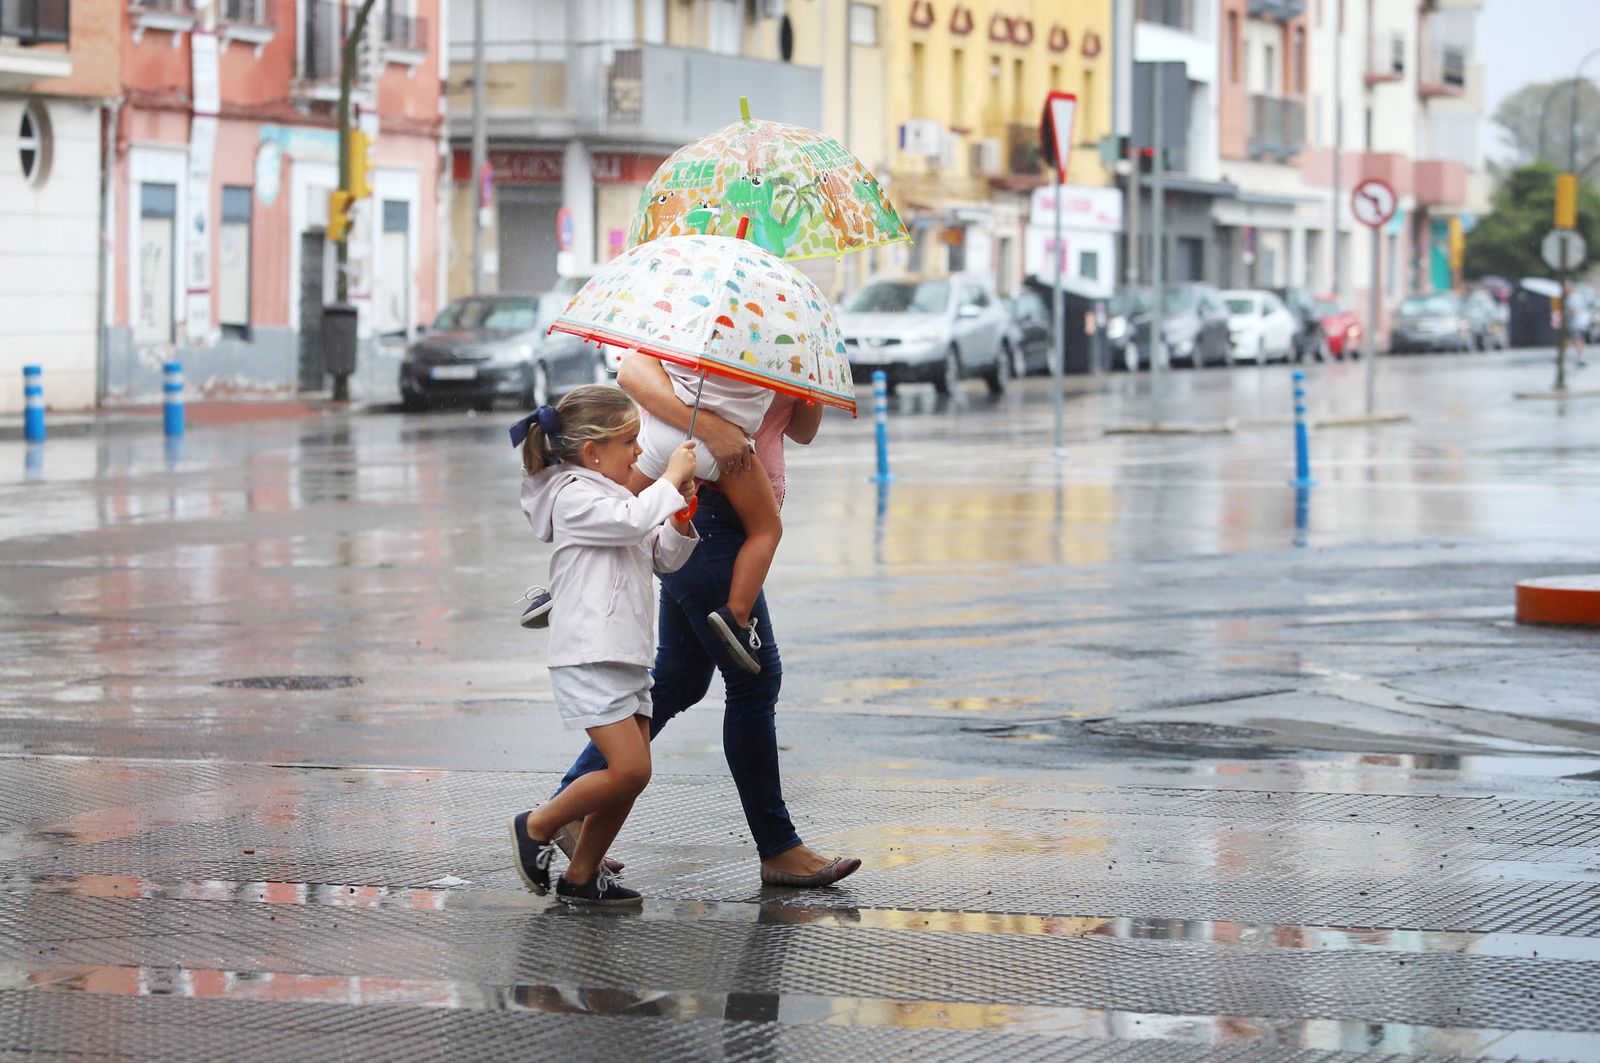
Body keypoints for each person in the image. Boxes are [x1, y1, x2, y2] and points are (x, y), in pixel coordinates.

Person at [550, 353, 861, 889]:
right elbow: (633, 374)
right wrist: (710, 427)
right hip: (709, 508)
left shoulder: (780, 335)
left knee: (680, 679)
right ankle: (779, 848)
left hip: (724, 521)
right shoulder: (707, 313)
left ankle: (571, 806)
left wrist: (810, 373)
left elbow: (803, 430)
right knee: (755, 679)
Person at [507, 384, 700, 907]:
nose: (639, 451)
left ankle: (582, 876)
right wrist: (668, 480)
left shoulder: (613, 496)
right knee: (629, 769)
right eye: (629, 441)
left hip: (625, 651)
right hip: (589, 653)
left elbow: (658, 554)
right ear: (593, 452)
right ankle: (539, 823)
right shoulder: (573, 497)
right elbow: (631, 524)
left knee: (632, 777)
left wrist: (679, 520)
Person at [634, 362, 780, 676]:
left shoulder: (687, 327)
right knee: (766, 528)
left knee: (615, 502)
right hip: (722, 447)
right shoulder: (773, 345)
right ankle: (737, 614)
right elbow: (804, 431)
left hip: (664, 426)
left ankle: (563, 581)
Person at [1565, 284, 1590, 368]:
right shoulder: (1578, 297)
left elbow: (1572, 310)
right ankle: (1580, 357)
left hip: (1575, 324)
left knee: (1577, 341)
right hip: (1581, 323)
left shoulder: (1571, 298)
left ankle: (1581, 358)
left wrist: (1565, 317)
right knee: (1575, 340)